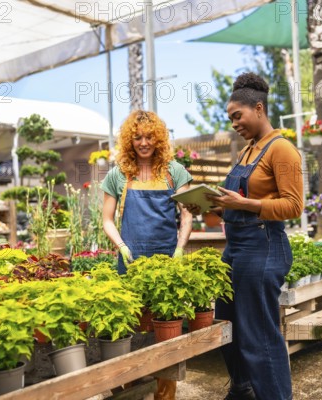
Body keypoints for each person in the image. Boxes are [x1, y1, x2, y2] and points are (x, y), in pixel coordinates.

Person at [188, 72, 303, 400]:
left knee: (259, 335)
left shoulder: (282, 150)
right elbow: (239, 204)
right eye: (230, 118)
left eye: (238, 116)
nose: (234, 123)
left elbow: (294, 206)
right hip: (236, 247)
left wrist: (243, 203)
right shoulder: (248, 151)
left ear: (259, 108)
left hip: (263, 247)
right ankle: (244, 389)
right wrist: (216, 207)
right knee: (227, 325)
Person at [101, 110, 193, 399]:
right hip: (129, 264)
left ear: (159, 139)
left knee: (166, 334)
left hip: (166, 265)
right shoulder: (118, 175)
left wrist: (179, 249)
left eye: (149, 137)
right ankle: (131, 391)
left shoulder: (174, 171)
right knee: (133, 332)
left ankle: (164, 395)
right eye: (137, 137)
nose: (143, 143)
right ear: (129, 140)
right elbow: (106, 219)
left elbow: (187, 215)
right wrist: (122, 245)